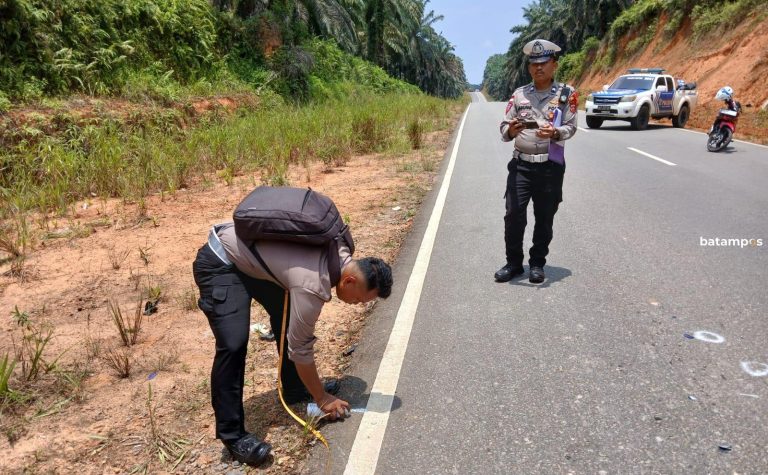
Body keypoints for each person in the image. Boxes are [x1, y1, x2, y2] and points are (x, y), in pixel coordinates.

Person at [192, 220, 393, 466]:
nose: (358, 304)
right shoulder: (312, 285)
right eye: (361, 299)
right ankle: (233, 436)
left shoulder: (341, 252)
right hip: (221, 260)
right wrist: (323, 399)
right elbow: (300, 349)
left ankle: (295, 388)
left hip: (253, 260)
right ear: (349, 281)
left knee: (286, 315)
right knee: (233, 342)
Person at [495, 39, 578, 284]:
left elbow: (572, 127)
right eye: (533, 64)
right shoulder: (519, 94)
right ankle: (513, 263)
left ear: (554, 65)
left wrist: (554, 133)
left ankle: (537, 263)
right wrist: (510, 130)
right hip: (521, 165)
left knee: (544, 217)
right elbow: (503, 127)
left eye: (543, 63)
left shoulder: (566, 94)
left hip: (550, 167)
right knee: (513, 214)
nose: (538, 68)